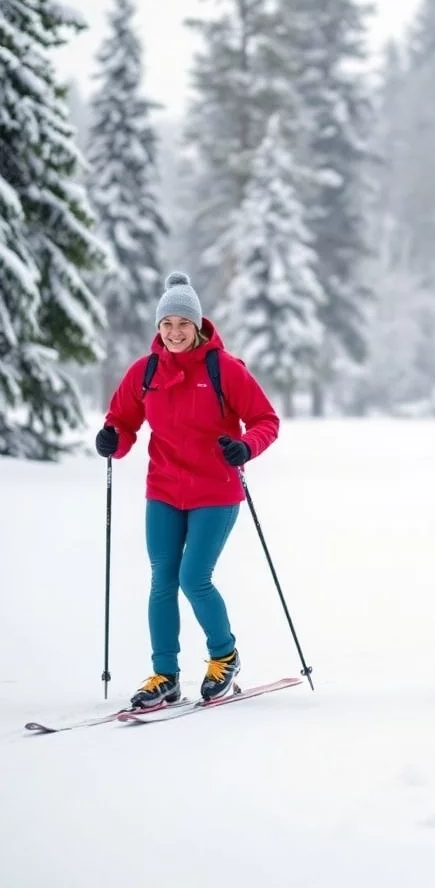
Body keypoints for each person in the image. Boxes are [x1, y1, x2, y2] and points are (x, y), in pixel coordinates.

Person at [95, 271, 280, 709]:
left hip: (215, 491)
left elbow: (265, 421)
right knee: (162, 580)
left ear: (197, 325)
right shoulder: (146, 371)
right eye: (166, 325)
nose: (174, 332)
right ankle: (165, 675)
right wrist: (112, 441)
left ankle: (224, 657)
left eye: (182, 323)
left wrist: (245, 446)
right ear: (158, 328)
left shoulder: (224, 369)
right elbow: (121, 423)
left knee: (193, 577)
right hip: (164, 490)